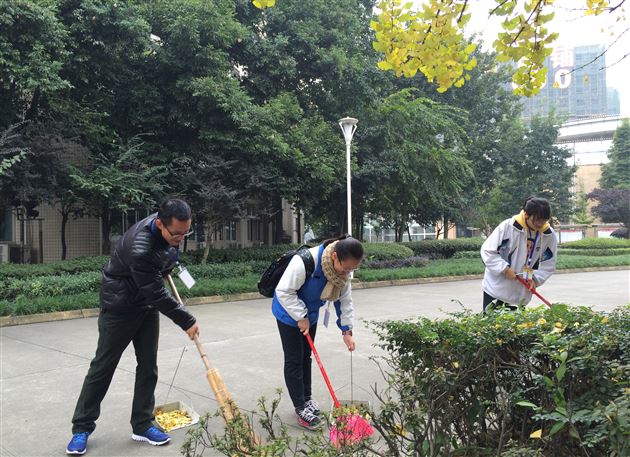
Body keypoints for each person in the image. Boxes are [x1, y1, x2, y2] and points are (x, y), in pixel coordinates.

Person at [66, 199, 200, 455]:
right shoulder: (140, 247)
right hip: (120, 307)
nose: (182, 238)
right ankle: (81, 427)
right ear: (160, 224)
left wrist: (169, 262)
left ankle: (142, 424)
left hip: (146, 307)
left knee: (148, 366)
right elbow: (156, 294)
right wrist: (187, 320)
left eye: (187, 232)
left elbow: (163, 268)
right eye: (177, 233)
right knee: (103, 367)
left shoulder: (168, 232)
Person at [272, 235, 363, 430]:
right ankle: (300, 407)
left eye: (352, 269)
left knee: (307, 357)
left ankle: (307, 399)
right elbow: (283, 291)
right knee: (294, 359)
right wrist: (300, 316)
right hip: (288, 314)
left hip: (310, 315)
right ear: (335, 256)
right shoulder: (306, 261)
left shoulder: (342, 274)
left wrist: (346, 330)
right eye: (346, 268)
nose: (348, 273)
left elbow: (345, 301)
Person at [480, 197, 558, 311]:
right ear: (526, 214)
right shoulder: (508, 227)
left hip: (520, 294)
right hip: (495, 290)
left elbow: (549, 263)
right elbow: (487, 251)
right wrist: (504, 269)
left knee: (516, 327)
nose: (540, 224)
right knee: (492, 326)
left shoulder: (548, 235)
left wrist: (535, 280)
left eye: (544, 220)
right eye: (537, 219)